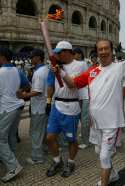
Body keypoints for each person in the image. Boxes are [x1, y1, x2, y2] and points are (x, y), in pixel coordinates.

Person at [52, 13, 125, 185]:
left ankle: (104, 182)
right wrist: (60, 72)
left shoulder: (119, 68)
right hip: (96, 122)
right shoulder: (92, 71)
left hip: (111, 122)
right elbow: (72, 83)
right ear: (97, 52)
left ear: (111, 51)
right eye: (100, 49)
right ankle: (113, 174)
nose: (103, 51)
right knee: (97, 151)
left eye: (106, 48)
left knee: (103, 156)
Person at [0, 47, 30, 182]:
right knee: (11, 136)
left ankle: (13, 165)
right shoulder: (17, 70)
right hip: (18, 106)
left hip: (7, 108)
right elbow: (27, 85)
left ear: (2, 57)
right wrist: (19, 91)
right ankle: (14, 161)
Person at [45, 41, 86, 178]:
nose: (57, 55)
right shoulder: (55, 66)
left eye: (59, 52)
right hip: (57, 105)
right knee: (50, 136)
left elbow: (71, 85)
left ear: (67, 52)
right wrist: (48, 102)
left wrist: (60, 71)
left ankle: (71, 162)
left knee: (71, 139)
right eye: (55, 53)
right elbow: (51, 84)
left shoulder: (80, 65)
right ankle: (57, 161)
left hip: (71, 107)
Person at [16, 48, 49, 164]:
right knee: (43, 130)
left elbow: (38, 91)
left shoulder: (39, 73)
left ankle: (37, 157)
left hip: (39, 107)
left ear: (38, 58)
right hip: (43, 106)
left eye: (32, 57)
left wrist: (23, 95)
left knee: (35, 131)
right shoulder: (44, 70)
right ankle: (46, 149)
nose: (31, 59)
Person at [72, 48, 91, 149]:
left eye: (74, 54)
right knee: (81, 118)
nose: (73, 56)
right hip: (80, 95)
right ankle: (86, 134)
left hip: (85, 95)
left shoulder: (82, 64)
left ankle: (86, 141)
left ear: (79, 55)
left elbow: (75, 78)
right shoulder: (80, 64)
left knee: (84, 119)